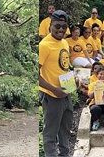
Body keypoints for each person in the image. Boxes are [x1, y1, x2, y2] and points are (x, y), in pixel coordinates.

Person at [39, 10, 74, 157]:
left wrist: (73, 80)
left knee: (65, 131)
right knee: (50, 134)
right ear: (50, 26)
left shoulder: (65, 42)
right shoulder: (44, 45)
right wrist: (54, 89)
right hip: (51, 95)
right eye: (57, 26)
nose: (60, 29)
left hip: (66, 93)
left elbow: (64, 65)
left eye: (64, 27)